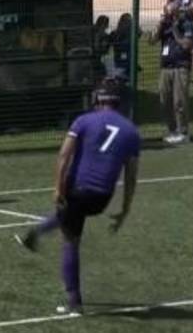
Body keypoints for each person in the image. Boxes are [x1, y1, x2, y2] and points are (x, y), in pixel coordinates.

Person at [14, 80, 141, 316]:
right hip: (102, 197)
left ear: (98, 99)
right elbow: (131, 177)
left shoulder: (83, 120)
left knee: (70, 240)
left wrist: (58, 187)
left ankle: (74, 302)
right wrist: (125, 210)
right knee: (70, 213)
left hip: (78, 189)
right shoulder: (131, 131)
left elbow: (64, 156)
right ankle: (34, 235)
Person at [152, 1, 193, 144]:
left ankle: (183, 132)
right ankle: (172, 130)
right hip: (166, 67)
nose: (170, 16)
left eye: (172, 13)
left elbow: (186, 45)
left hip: (181, 67)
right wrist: (160, 25)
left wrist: (175, 30)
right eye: (167, 13)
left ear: (178, 12)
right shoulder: (164, 25)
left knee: (179, 101)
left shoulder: (187, 25)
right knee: (164, 99)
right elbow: (152, 40)